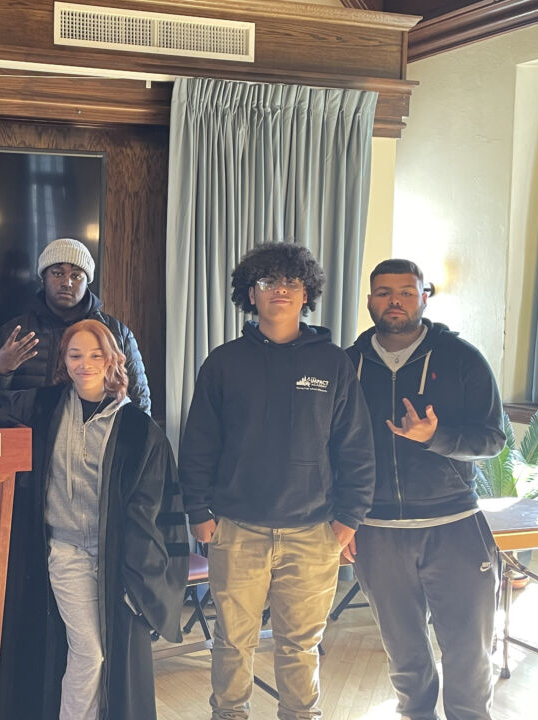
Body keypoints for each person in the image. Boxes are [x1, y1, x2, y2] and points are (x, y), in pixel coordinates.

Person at [0, 319, 188, 720]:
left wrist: (142, 577)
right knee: (90, 652)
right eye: (75, 355)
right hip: (66, 551)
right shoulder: (44, 407)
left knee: (113, 657)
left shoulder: (139, 430)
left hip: (117, 557)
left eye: (95, 355)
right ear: (64, 360)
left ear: (112, 360)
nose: (84, 364)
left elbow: (153, 510)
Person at [177, 242, 375, 720]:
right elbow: (199, 443)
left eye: (290, 282)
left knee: (301, 644)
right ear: (251, 294)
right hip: (236, 529)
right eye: (268, 282)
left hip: (313, 532)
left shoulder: (333, 363)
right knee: (231, 641)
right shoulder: (224, 362)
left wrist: (350, 518)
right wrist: (198, 511)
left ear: (307, 294)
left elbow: (354, 446)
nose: (280, 291)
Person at [346, 259, 505, 720]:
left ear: (423, 298)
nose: (394, 300)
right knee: (405, 655)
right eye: (384, 292)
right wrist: (344, 517)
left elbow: (492, 440)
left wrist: (436, 438)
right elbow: (331, 447)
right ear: (370, 300)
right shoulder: (348, 364)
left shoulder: (462, 359)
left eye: (406, 291)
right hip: (377, 531)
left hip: (454, 526)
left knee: (469, 652)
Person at [0, 237, 151, 414]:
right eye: (57, 273)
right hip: (29, 430)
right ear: (43, 278)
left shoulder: (116, 333)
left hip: (96, 431)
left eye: (76, 276)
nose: (66, 282)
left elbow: (140, 403)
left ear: (87, 282)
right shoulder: (14, 333)